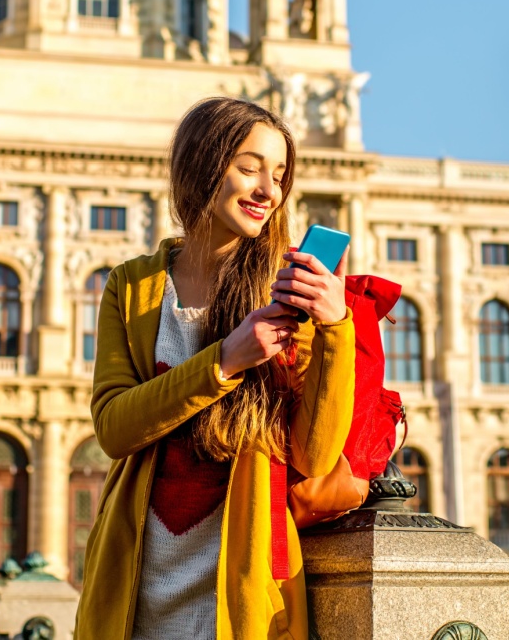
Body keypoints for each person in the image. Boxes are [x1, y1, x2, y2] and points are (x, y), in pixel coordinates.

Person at [76, 97, 356, 640]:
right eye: (249, 168)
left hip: (243, 591)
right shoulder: (132, 286)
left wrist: (336, 327)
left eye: (278, 176)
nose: (268, 192)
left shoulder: (286, 292)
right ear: (203, 165)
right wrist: (225, 360)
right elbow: (114, 428)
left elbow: (314, 456)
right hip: (135, 586)